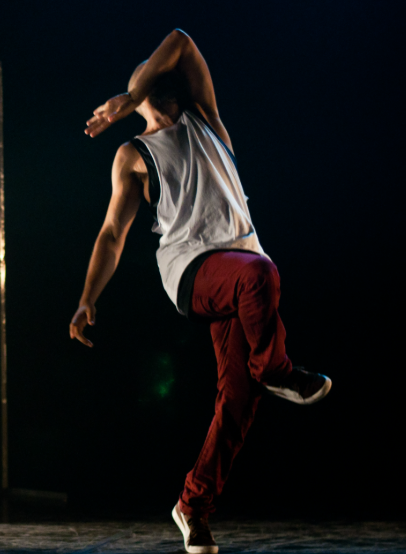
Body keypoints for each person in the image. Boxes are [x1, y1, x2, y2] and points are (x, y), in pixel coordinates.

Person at [69, 29, 332, 554]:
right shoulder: (133, 153)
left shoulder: (206, 120)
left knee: (238, 400)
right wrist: (86, 299)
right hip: (191, 270)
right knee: (261, 276)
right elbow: (112, 233)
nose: (164, 81)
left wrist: (126, 97)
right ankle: (277, 370)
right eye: (150, 81)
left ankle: (193, 506)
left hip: (239, 267)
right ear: (142, 92)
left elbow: (181, 42)